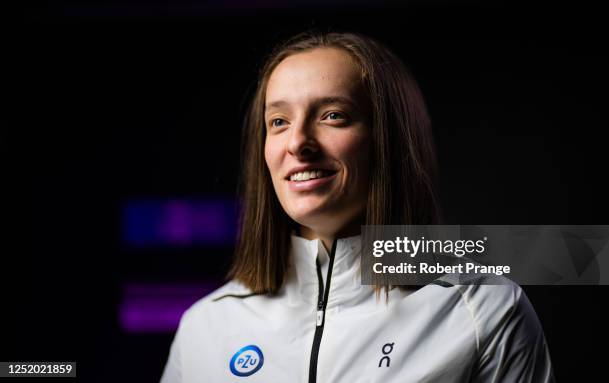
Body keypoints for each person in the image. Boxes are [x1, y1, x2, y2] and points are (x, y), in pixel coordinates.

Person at [160, 31, 555, 382]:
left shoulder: (482, 308)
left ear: (389, 142)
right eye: (278, 121)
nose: (298, 143)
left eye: (333, 116)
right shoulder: (204, 326)